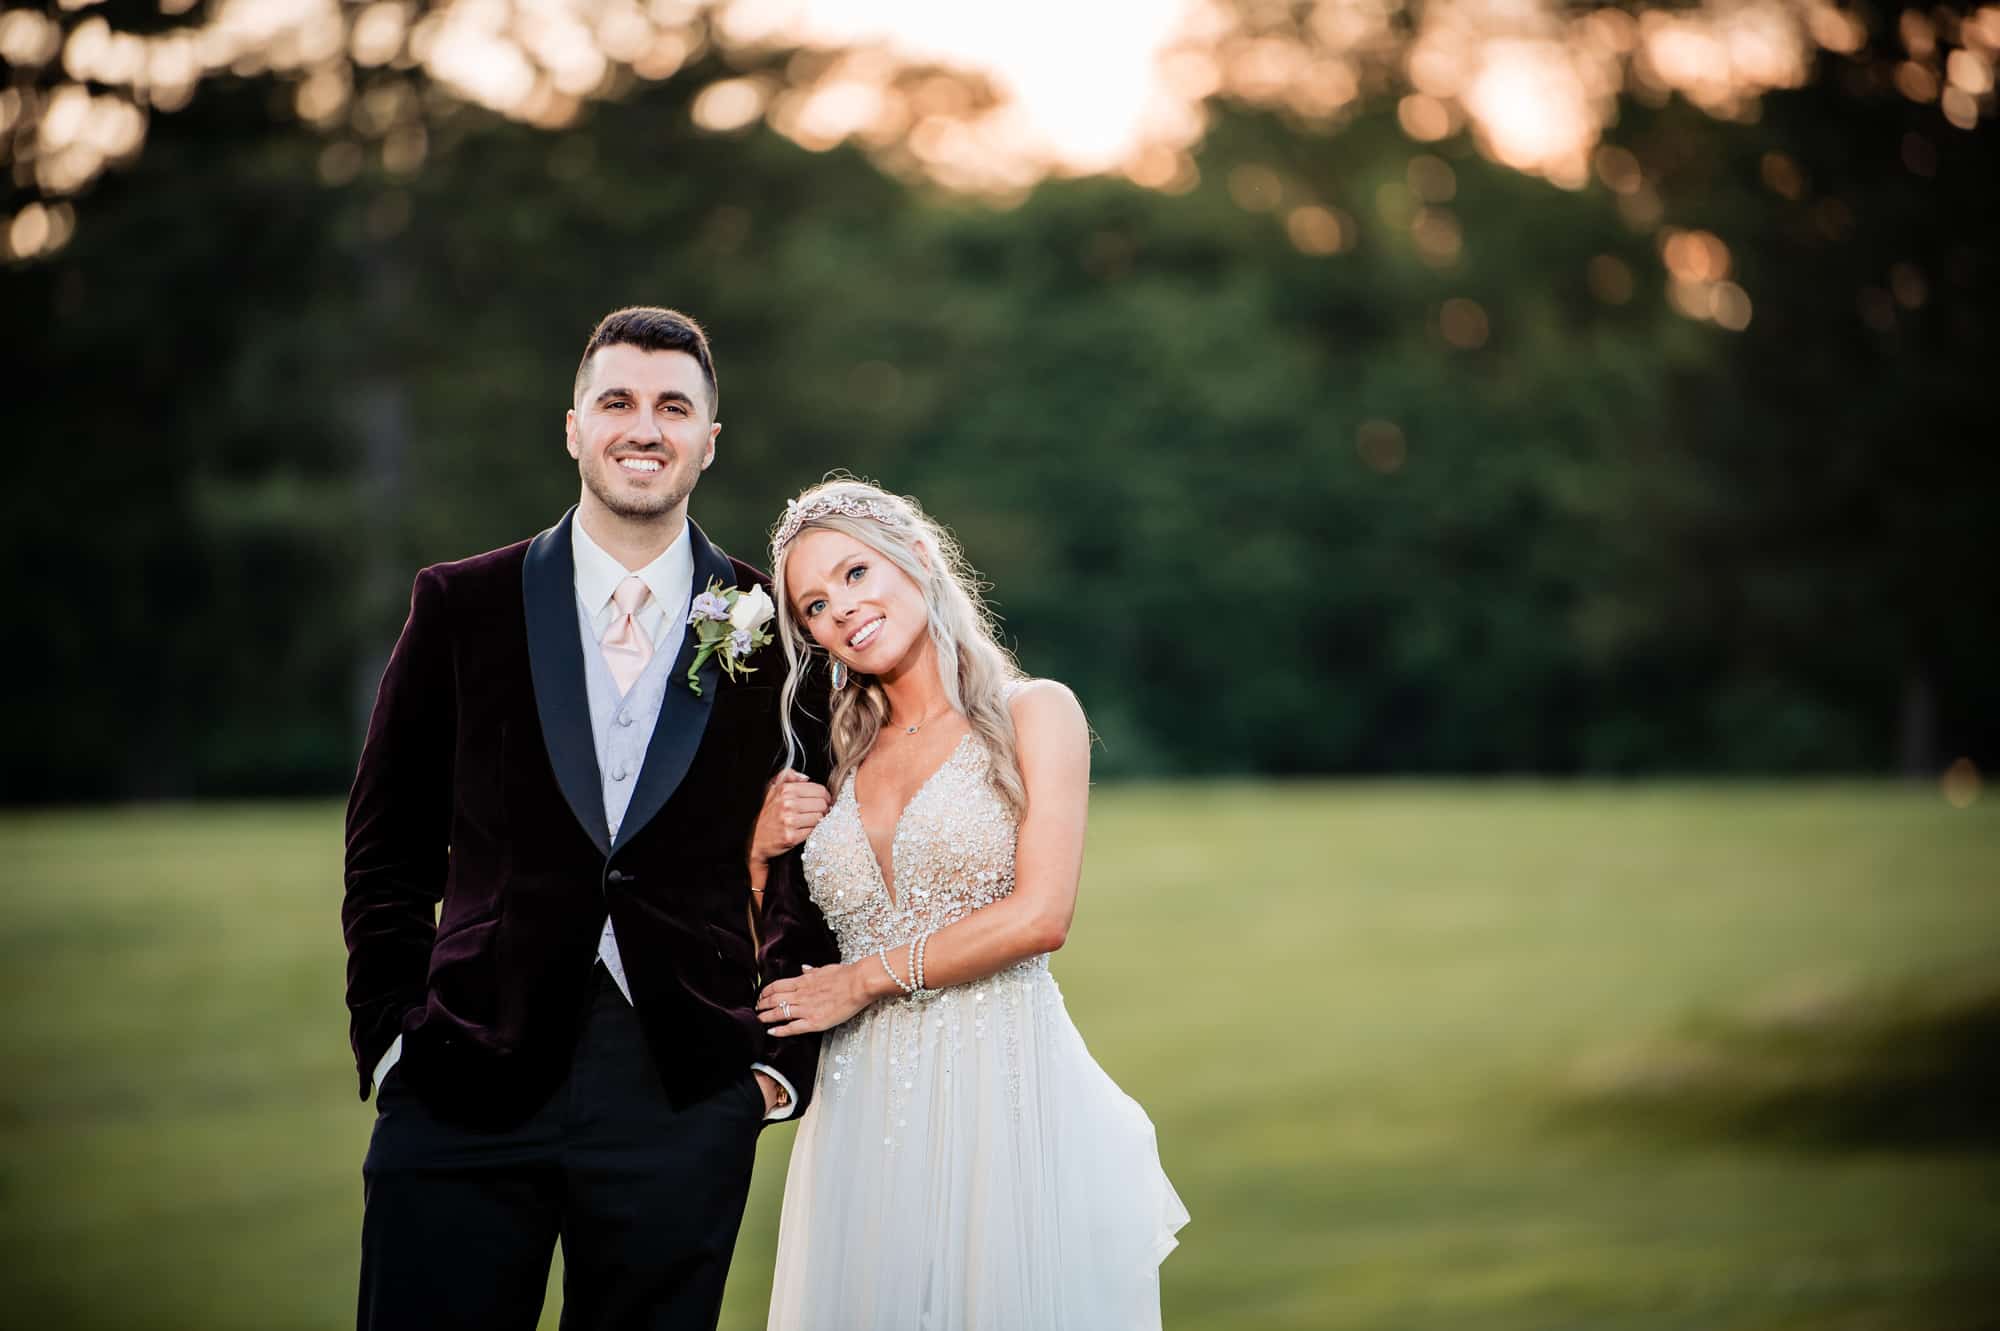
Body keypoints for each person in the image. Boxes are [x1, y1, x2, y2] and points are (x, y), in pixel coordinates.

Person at [342, 306, 839, 1331]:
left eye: (673, 407)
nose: (642, 427)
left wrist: (767, 1072)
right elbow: (386, 844)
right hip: (464, 1070)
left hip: (682, 1086)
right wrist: (394, 1035)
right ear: (573, 426)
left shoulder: (777, 631)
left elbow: (814, 861)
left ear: (709, 438)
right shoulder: (460, 605)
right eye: (616, 401)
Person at [751, 478, 1187, 1330]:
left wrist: (863, 980)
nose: (840, 610)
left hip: (1005, 1093)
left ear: (917, 558)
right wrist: (757, 851)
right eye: (812, 605)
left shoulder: (1037, 713)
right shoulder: (825, 760)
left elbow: (1041, 916)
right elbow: (761, 945)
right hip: (860, 1112)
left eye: (854, 573)